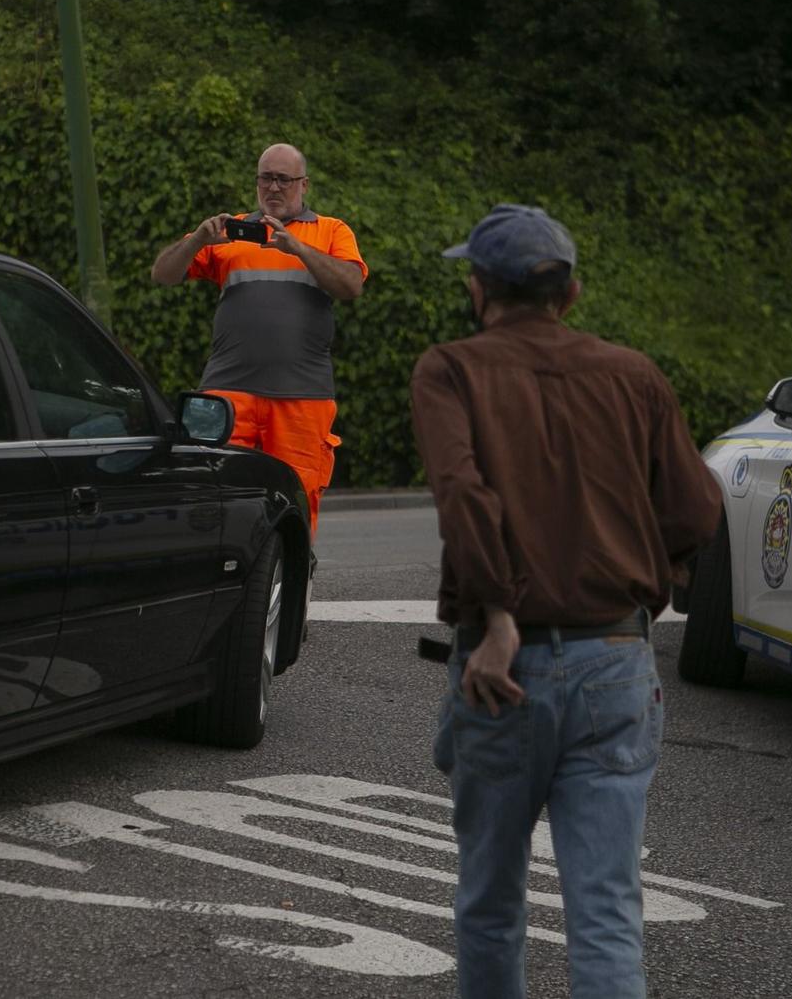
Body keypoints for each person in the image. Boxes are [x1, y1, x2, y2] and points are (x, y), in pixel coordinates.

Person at [411, 203, 721, 999]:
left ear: (479, 291)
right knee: (606, 913)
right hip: (617, 658)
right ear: (571, 294)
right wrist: (655, 572)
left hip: (502, 667)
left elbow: (462, 494)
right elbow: (694, 508)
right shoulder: (635, 376)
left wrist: (502, 617)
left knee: (490, 902)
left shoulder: (451, 369)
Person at [150, 143, 366, 533]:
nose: (274, 187)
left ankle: (290, 589)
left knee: (296, 504)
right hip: (229, 394)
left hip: (302, 398)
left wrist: (297, 247)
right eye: (266, 177)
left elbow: (351, 285)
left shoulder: (331, 230)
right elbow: (163, 274)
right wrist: (197, 240)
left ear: (305, 185)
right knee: (214, 501)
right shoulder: (229, 231)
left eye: (284, 179)